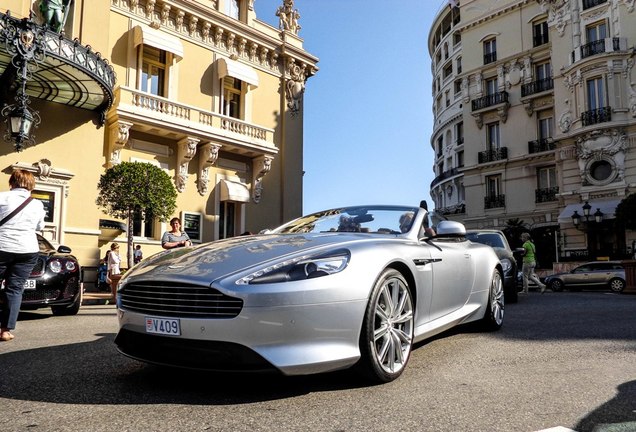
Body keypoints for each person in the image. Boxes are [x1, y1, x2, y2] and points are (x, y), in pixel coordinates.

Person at [0, 170, 46, 342]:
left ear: (12, 182)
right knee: (15, 289)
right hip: (27, 250)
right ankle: (5, 330)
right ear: (31, 185)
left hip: (2, 246)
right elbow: (40, 226)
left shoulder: (2, 197)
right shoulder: (38, 204)